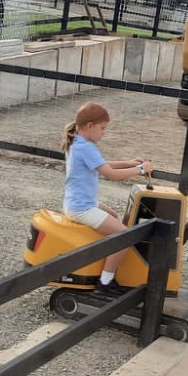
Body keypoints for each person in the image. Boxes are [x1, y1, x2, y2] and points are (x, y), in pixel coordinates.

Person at [61, 102, 154, 296]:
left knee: (112, 214)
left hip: (79, 202)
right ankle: (105, 282)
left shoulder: (78, 141)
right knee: (124, 235)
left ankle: (103, 261)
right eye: (102, 129)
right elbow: (110, 174)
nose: (104, 133)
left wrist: (128, 162)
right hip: (81, 207)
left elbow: (103, 164)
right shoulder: (86, 147)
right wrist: (140, 170)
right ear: (90, 126)